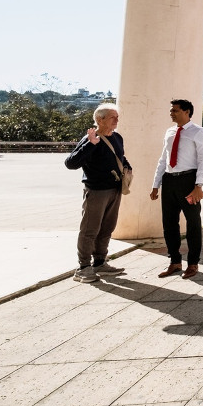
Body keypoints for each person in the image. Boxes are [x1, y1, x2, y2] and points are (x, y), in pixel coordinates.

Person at [64, 102, 131, 283]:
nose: (117, 120)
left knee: (107, 227)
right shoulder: (90, 139)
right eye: (112, 117)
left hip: (114, 189)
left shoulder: (117, 138)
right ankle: (83, 267)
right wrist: (91, 144)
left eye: (117, 117)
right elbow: (71, 163)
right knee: (89, 230)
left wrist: (127, 168)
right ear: (100, 120)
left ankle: (100, 262)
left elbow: (121, 157)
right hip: (96, 191)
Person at [151, 99, 203, 279]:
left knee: (193, 223)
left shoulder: (198, 132)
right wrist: (156, 184)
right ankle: (174, 262)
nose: (171, 113)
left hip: (188, 181)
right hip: (169, 181)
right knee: (169, 224)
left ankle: (193, 263)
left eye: (175, 110)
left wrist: (198, 185)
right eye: (171, 110)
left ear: (186, 112)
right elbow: (163, 159)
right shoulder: (169, 132)